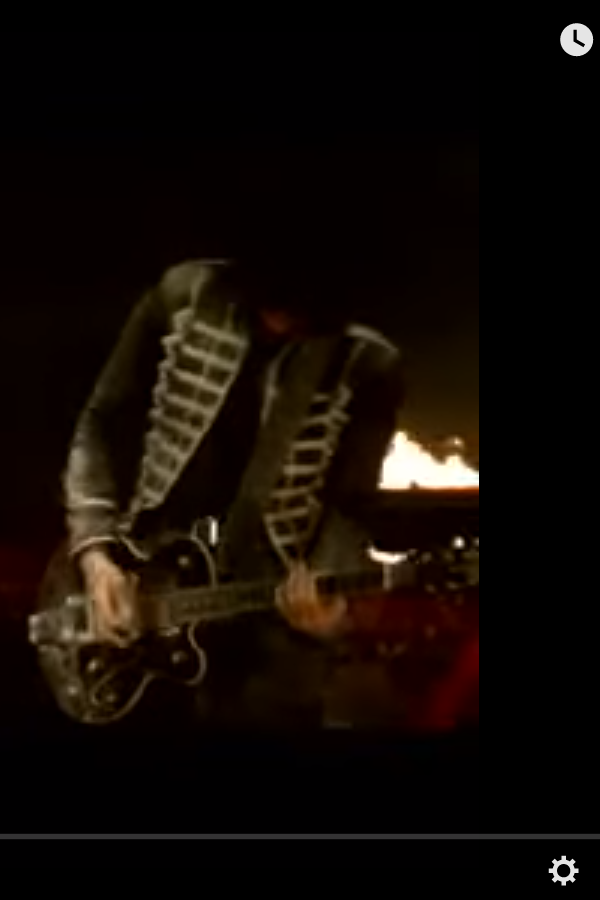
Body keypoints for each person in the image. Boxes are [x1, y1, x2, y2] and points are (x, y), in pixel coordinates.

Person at [62, 256, 403, 728]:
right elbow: (103, 422)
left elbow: (351, 503)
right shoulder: (186, 291)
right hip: (146, 583)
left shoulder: (368, 360)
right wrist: (95, 553)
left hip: (270, 623)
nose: (280, 325)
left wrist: (333, 611)